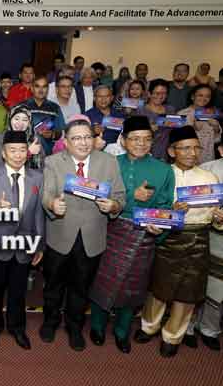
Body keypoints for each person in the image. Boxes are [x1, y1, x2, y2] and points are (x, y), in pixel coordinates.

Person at [134, 125, 223, 357]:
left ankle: (173, 335)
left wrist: (219, 217)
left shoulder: (208, 177)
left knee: (188, 292)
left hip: (198, 238)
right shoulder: (163, 174)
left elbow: (215, 215)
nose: (192, 153)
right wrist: (170, 211)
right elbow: (149, 211)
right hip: (168, 237)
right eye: (185, 148)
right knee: (158, 288)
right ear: (173, 151)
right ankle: (149, 326)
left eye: (196, 148)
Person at [88, 116, 175, 354]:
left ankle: (121, 331)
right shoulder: (109, 163)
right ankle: (96, 326)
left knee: (133, 287)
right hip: (111, 229)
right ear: (123, 141)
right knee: (102, 281)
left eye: (146, 139)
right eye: (135, 139)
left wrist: (160, 225)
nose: (141, 144)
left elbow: (166, 205)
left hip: (144, 235)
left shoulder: (163, 169)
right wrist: (130, 196)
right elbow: (98, 197)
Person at [41, 117, 126, 351]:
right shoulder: (53, 162)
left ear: (94, 139)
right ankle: (50, 321)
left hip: (92, 236)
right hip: (60, 234)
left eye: (87, 137)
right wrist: (52, 205)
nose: (83, 142)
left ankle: (74, 327)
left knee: (81, 287)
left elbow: (120, 196)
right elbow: (46, 193)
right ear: (66, 142)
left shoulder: (109, 162)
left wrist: (113, 206)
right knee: (53, 285)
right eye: (76, 138)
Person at [0, 130, 45, 350]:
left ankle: (17, 328)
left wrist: (39, 243)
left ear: (28, 153)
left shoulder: (37, 177)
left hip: (24, 245)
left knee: (18, 291)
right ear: (4, 154)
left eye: (22, 150)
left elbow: (38, 213)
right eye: (12, 150)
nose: (18, 155)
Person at [185, 141, 223, 351]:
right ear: (221, 149)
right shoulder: (208, 170)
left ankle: (209, 329)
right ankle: (188, 326)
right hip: (205, 236)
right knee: (195, 283)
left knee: (219, 290)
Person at [178, 84, 221, 164]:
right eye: (200, 95)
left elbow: (216, 140)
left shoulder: (212, 113)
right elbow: (177, 140)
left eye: (207, 96)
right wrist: (192, 128)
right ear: (192, 97)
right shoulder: (183, 114)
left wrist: (216, 128)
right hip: (189, 159)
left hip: (208, 159)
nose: (204, 99)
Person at [23, 76, 65, 154]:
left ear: (48, 89)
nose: (41, 90)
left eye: (44, 87)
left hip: (47, 155)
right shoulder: (22, 106)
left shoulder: (55, 108)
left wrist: (52, 134)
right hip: (25, 154)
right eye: (37, 86)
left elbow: (61, 132)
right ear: (32, 88)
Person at [138, 78, 176, 162]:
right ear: (149, 94)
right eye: (157, 93)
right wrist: (148, 128)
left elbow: (175, 130)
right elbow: (134, 133)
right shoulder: (141, 111)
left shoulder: (170, 110)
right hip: (146, 152)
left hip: (167, 153)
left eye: (164, 93)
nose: (160, 96)